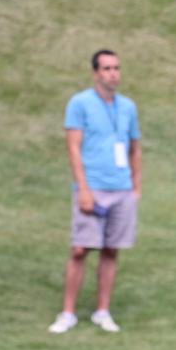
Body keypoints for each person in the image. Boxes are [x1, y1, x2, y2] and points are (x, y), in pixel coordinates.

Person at [48, 49, 142, 334]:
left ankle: (103, 311)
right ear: (95, 73)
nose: (113, 73)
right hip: (93, 186)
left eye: (116, 67)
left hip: (121, 188)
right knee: (80, 249)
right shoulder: (80, 103)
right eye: (106, 68)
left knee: (111, 250)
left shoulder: (128, 107)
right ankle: (68, 313)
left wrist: (136, 186)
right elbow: (73, 147)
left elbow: (135, 148)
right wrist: (83, 188)